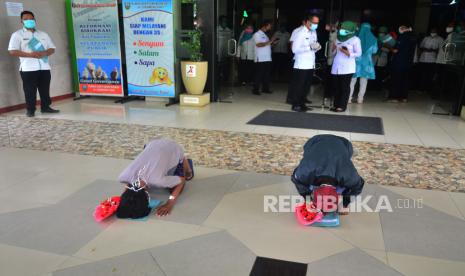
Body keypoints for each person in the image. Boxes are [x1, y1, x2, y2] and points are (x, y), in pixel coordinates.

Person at [291, 135, 365, 215]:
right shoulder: (305, 172)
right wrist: (308, 199)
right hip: (314, 142)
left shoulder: (348, 176)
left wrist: (344, 203)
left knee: (347, 184)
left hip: (344, 143)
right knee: (306, 181)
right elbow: (296, 179)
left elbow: (359, 185)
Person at [118, 138, 193, 217]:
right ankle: (184, 164)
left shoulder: (157, 181)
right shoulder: (123, 177)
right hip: (151, 144)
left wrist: (170, 202)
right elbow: (128, 186)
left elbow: (181, 180)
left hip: (173, 148)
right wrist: (123, 201)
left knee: (179, 184)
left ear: (147, 195)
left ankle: (187, 165)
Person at [8, 10, 59, 117]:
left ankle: (46, 107)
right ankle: (30, 110)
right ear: (21, 21)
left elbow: (52, 48)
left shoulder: (43, 34)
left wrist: (45, 52)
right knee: (30, 90)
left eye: (31, 19)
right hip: (28, 68)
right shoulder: (17, 35)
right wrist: (30, 55)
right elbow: (12, 51)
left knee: (45, 89)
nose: (29, 21)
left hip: (44, 66)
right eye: (25, 19)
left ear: (35, 20)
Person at [288, 15, 321, 112]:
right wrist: (309, 48)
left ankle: (302, 104)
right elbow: (294, 49)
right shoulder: (300, 33)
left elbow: (313, 46)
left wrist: (316, 47)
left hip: (310, 63)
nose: (315, 25)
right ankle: (296, 105)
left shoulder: (313, 32)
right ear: (307, 22)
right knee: (299, 86)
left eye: (317, 23)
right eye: (314, 23)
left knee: (306, 86)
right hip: (301, 64)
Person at [330, 21, 362, 112]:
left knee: (344, 87)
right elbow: (333, 53)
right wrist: (333, 48)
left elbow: (359, 53)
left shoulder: (355, 39)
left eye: (344, 29)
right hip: (336, 65)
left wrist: (348, 53)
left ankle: (342, 106)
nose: (342, 30)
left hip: (348, 67)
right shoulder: (338, 38)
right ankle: (336, 105)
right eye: (342, 28)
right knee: (336, 87)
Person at [349, 23, 378, 104]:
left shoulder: (355, 38)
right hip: (367, 63)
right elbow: (374, 51)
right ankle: (360, 99)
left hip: (356, 62)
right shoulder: (373, 39)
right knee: (364, 82)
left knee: (352, 81)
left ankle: (348, 98)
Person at [387, 25, 416, 102]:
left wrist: (388, 47)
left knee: (396, 80)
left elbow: (395, 50)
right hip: (408, 63)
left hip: (399, 63)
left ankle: (394, 97)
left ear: (403, 29)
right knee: (405, 80)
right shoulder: (413, 38)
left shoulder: (402, 37)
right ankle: (404, 97)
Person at [252, 20, 277, 95]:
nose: (270, 27)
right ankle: (255, 89)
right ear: (264, 26)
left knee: (266, 75)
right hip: (260, 58)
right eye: (269, 26)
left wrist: (272, 43)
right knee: (259, 74)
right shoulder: (257, 34)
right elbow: (259, 45)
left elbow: (267, 45)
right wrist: (270, 41)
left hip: (267, 58)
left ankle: (265, 88)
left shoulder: (265, 34)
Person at [417, 28, 444, 93]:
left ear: (437, 32)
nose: (433, 32)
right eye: (432, 31)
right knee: (422, 75)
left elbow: (442, 50)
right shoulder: (426, 38)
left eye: (434, 31)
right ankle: (421, 89)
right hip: (423, 59)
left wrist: (433, 50)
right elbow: (421, 47)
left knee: (430, 75)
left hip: (433, 60)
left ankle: (427, 89)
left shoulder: (440, 39)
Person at [373, 26, 395, 91]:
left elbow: (389, 50)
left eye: (382, 32)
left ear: (385, 33)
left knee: (380, 74)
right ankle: (371, 87)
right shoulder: (375, 39)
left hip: (382, 59)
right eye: (380, 32)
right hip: (374, 59)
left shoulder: (388, 40)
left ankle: (378, 87)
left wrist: (381, 47)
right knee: (373, 73)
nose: (381, 33)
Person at [217, 15, 233, 82]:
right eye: (223, 21)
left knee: (226, 68)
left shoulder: (229, 30)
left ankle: (225, 81)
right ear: (220, 22)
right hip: (218, 52)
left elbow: (232, 41)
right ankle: (218, 80)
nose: (225, 22)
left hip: (226, 52)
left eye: (226, 21)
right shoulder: (216, 30)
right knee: (218, 68)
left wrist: (231, 51)